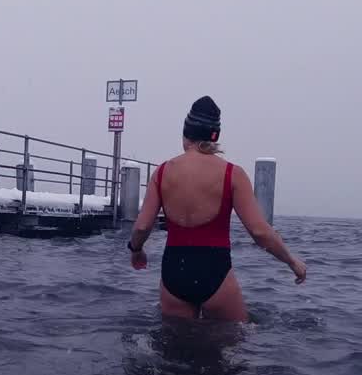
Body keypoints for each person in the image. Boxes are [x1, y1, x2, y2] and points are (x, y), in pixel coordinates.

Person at [126, 96, 306, 322]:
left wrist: (136, 250)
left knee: (175, 348)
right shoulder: (232, 174)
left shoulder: (162, 173)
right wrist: (292, 261)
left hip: (174, 272)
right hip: (215, 272)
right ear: (214, 136)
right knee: (231, 346)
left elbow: (142, 226)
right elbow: (260, 232)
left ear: (186, 133)